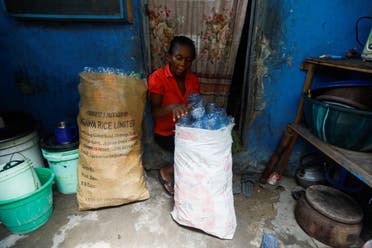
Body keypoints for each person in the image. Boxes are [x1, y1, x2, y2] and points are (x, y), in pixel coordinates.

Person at [148, 36, 200, 196]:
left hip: (186, 130)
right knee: (196, 151)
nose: (183, 64)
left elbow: (195, 106)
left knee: (208, 145)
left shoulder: (193, 80)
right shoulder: (158, 78)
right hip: (166, 133)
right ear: (169, 56)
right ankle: (167, 171)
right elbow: (154, 112)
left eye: (188, 60)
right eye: (179, 58)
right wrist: (172, 107)